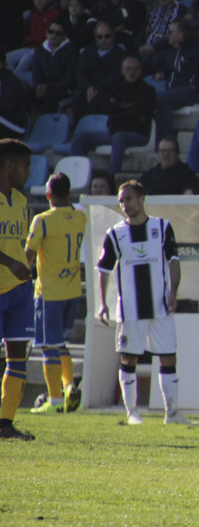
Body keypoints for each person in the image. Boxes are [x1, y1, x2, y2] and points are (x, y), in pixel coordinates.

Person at [96, 180, 194, 426]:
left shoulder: (162, 227)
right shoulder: (115, 234)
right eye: (121, 200)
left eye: (128, 199)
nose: (124, 204)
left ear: (141, 199)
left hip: (160, 307)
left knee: (168, 357)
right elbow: (104, 270)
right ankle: (132, 413)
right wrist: (102, 303)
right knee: (129, 358)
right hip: (130, 310)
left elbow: (173, 260)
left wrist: (174, 291)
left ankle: (172, 414)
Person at [26, 174, 86, 415]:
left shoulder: (42, 220)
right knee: (61, 343)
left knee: (49, 347)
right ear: (69, 194)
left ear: (48, 195)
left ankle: (55, 399)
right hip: (72, 292)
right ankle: (69, 386)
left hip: (49, 293)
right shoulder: (81, 218)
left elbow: (28, 256)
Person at [0, 140, 34, 440]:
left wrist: (23, 266)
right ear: (8, 166)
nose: (29, 172)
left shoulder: (22, 202)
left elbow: (20, 243)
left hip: (20, 291)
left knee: (17, 357)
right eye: (26, 166)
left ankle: (5, 424)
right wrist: (10, 262)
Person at [78, 55, 156, 174]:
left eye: (135, 69)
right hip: (114, 132)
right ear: (122, 70)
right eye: (128, 69)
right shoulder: (118, 88)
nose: (132, 72)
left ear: (140, 71)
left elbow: (136, 112)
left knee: (119, 136)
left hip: (138, 135)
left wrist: (117, 109)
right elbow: (104, 106)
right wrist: (124, 109)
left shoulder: (148, 90)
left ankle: (112, 176)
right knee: (81, 137)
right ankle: (77, 175)